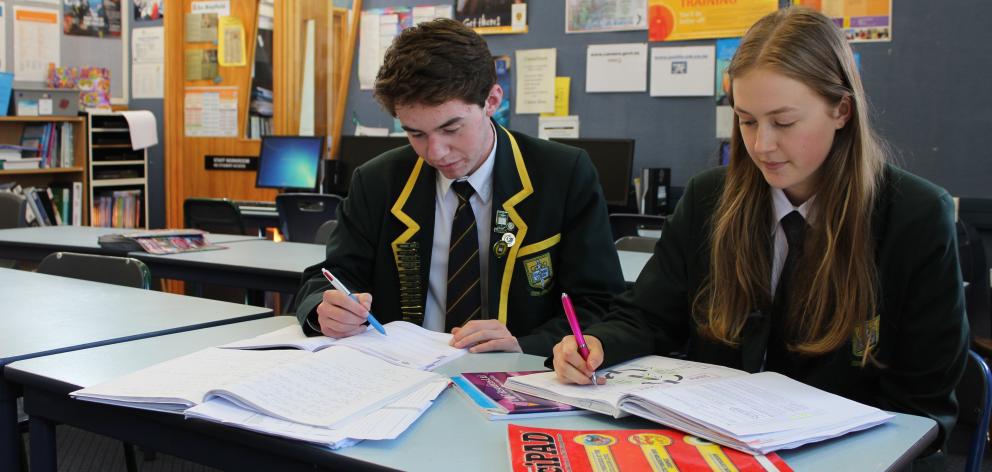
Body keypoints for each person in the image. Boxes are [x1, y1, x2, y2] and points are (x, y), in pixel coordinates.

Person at [552, 7, 968, 466]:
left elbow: (924, 405)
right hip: (715, 447)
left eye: (783, 122)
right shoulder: (710, 197)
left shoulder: (914, 216)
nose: (761, 145)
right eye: (747, 121)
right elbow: (648, 316)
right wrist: (598, 344)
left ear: (841, 110)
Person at [294, 18, 624, 356]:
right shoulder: (378, 180)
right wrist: (325, 309)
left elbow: (599, 303)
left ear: (492, 101)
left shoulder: (563, 174)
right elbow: (331, 277)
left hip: (519, 376)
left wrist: (524, 345)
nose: (435, 152)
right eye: (416, 134)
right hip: (401, 374)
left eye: (451, 128)